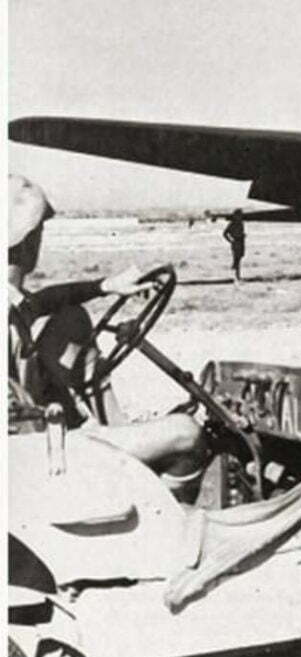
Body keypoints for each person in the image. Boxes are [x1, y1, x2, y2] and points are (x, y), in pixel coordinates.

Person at [8, 175, 207, 499]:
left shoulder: (15, 302)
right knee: (187, 433)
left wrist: (105, 285)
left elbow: (46, 300)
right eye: (39, 231)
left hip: (40, 438)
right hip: (36, 454)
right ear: (27, 240)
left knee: (71, 316)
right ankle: (169, 522)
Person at [223, 209, 246, 282]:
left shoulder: (241, 223)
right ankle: (237, 276)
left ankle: (237, 274)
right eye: (239, 215)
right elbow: (225, 233)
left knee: (239, 258)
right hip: (236, 242)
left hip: (241, 242)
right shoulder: (232, 224)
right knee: (237, 259)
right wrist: (230, 240)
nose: (240, 217)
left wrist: (243, 236)